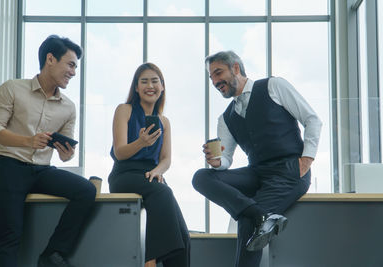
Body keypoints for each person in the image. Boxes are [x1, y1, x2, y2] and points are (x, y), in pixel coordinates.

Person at [192, 51, 322, 267]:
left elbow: (312, 119)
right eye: (211, 78)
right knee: (202, 177)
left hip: (288, 171)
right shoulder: (226, 118)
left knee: (246, 222)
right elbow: (225, 159)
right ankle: (260, 214)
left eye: (218, 73)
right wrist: (217, 162)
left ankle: (254, 215)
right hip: (256, 173)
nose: (215, 82)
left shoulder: (274, 86)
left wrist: (306, 160)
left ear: (235, 68)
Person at [0, 35, 96, 267]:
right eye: (71, 64)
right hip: (9, 167)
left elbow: (68, 148)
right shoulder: (12, 88)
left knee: (85, 190)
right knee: (9, 238)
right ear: (50, 59)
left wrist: (67, 154)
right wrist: (28, 141)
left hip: (43, 171)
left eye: (76, 66)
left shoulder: (68, 107)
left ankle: (52, 254)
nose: (74, 72)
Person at [108, 63, 190, 267]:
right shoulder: (124, 110)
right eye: (143, 81)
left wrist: (157, 171)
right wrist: (141, 142)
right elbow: (119, 152)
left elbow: (166, 159)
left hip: (151, 176)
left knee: (184, 237)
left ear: (162, 87)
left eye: (155, 81)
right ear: (136, 87)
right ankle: (150, 261)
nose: (149, 85)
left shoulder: (164, 121)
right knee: (163, 193)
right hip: (124, 174)